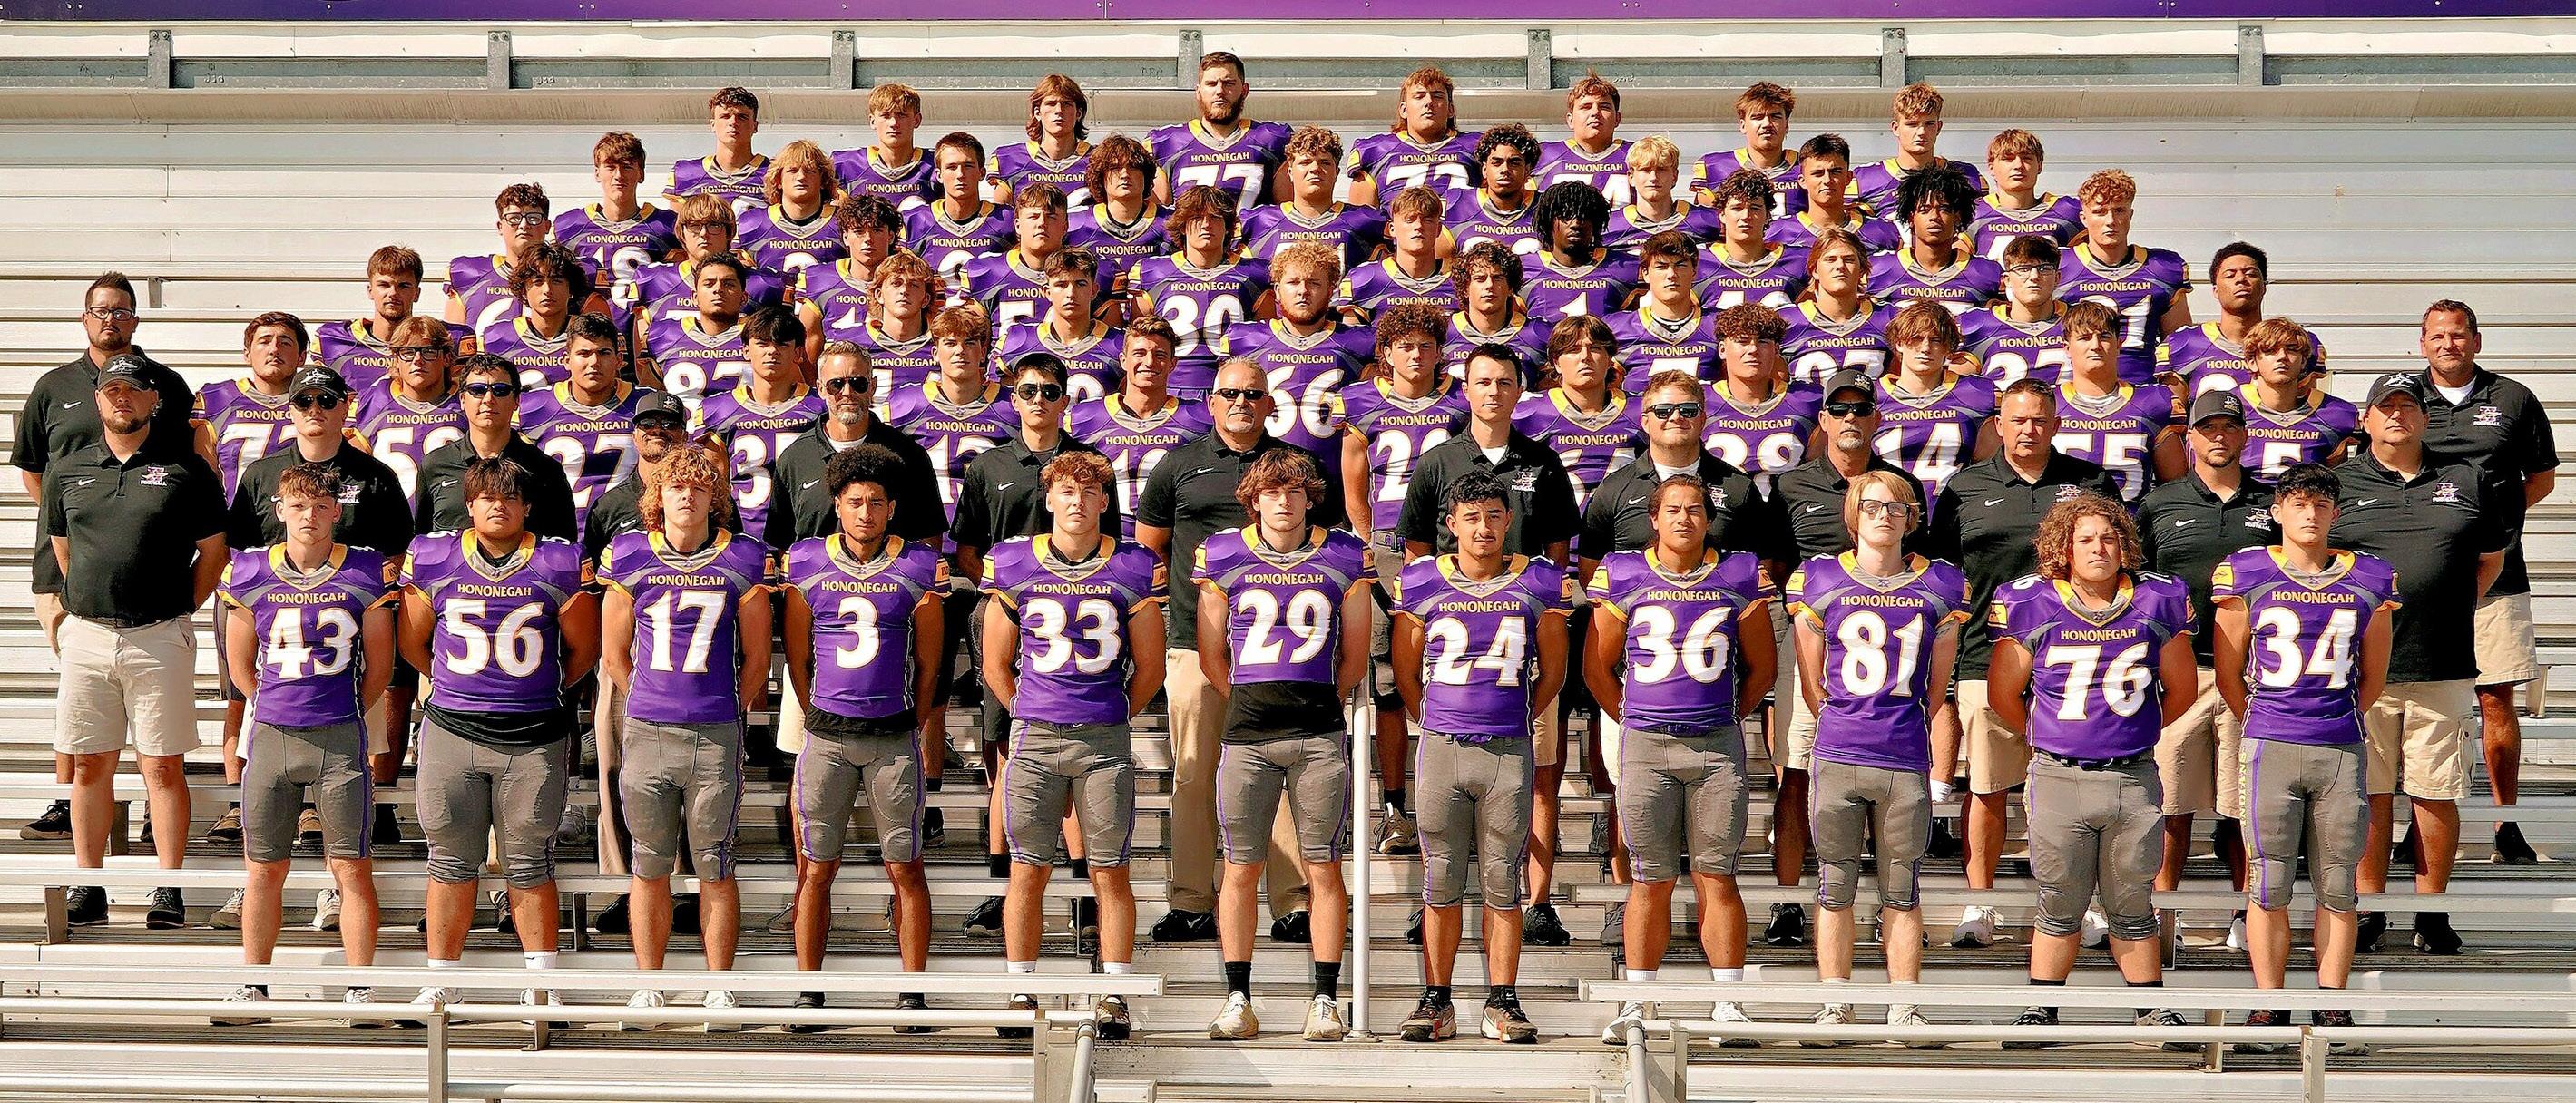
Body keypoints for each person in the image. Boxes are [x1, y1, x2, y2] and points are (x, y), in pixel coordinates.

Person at [1138, 356, 1346, 942]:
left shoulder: (1296, 468)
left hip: (1282, 652)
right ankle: (1191, 899)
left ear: (1269, 404)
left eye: (1253, 394)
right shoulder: (1178, 464)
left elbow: (1325, 543)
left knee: (1280, 771)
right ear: (1211, 402)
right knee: (1193, 774)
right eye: (1230, 393)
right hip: (1193, 641)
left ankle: (1292, 902)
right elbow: (1151, 548)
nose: (1241, 402)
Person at [1987, 493, 2199, 1046]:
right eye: (2085, 539)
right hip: (2059, 773)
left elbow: (2181, 688)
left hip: (2132, 774)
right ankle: (2042, 1008)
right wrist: (2050, 735)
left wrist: (2135, 731)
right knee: (2060, 897)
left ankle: (2150, 1010)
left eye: (2108, 537)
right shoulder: (2032, 602)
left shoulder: (2156, 599)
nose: (2099, 548)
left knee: (2131, 899)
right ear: (2063, 548)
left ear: (2124, 544)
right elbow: (2004, 693)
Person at [397, 457, 598, 1020]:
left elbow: (583, 647)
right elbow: (413, 642)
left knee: (530, 861)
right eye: (487, 496)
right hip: (453, 728)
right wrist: (450, 684)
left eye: (510, 497)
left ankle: (542, 983)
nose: (498, 506)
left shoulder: (558, 561)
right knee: (449, 860)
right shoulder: (434, 556)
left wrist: (541, 691)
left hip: (532, 733)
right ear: (469, 503)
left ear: (527, 507)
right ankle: (442, 980)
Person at [1923, 380, 2118, 948]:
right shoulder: (1965, 488)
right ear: (1999, 426)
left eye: (2038, 419)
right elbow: (1942, 575)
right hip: (1987, 654)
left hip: (2078, 659)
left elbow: (2115, 561)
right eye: (2017, 419)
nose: (2028, 429)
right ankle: (1979, 903)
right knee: (1987, 787)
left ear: (2055, 424)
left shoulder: (2090, 483)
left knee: (2075, 790)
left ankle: (2082, 904)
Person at [2211, 463, 2395, 1053]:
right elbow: (2227, 670)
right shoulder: (2245, 571)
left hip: (2338, 743)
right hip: (2270, 742)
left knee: (2338, 883)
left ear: (2335, 512)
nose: (2309, 514)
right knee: (2267, 881)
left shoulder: (2369, 576)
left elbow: (2373, 675)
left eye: (2319, 504)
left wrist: (2329, 719)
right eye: (2297, 503)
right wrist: (2269, 718)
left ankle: (2331, 1004)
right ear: (2277, 511)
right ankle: (2269, 1003)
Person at [1589, 475, 1777, 1046]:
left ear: (1708, 518)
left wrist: (1726, 716)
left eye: (1695, 509)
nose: (1684, 519)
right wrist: (1634, 719)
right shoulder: (1624, 572)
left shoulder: (1738, 573)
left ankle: (1729, 1002)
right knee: (1650, 877)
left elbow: (1762, 668)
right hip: (1648, 744)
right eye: (1673, 510)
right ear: (1654, 518)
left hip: (1716, 745)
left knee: (1717, 873)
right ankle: (1639, 1001)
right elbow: (1597, 667)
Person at [983, 451, 1164, 1040]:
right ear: (1049, 499)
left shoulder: (1133, 565)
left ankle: (1114, 992)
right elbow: (994, 662)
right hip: (1035, 737)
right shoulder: (1013, 561)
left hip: (1102, 739)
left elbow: (1151, 667)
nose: (1077, 502)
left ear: (1105, 502)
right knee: (1026, 871)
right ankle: (1021, 989)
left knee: (1110, 871)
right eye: (1066, 491)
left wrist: (1111, 714)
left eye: (1089, 493)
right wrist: (1031, 710)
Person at [222, 364, 414, 922]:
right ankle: (255, 880)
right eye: (304, 400)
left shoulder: (374, 475)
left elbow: (397, 553)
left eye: (326, 400)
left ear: (344, 405)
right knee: (265, 783)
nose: (314, 409)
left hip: (348, 651)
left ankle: (336, 887)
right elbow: (241, 551)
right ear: (290, 407)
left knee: (349, 785)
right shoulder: (262, 473)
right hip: (280, 649)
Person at [44, 353, 229, 929]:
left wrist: (178, 607)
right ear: (98, 398)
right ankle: (89, 882)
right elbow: (64, 551)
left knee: (163, 766)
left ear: (154, 399)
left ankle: (169, 887)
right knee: (88, 766)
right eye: (111, 389)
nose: (121, 397)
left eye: (133, 388)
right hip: (89, 634)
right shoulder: (67, 469)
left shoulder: (186, 469)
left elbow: (214, 553)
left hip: (159, 634)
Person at [2330, 372, 2511, 955]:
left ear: (2425, 419)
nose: (2397, 416)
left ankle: (2431, 912)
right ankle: (2370, 908)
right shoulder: (2338, 485)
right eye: (2385, 407)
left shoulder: (2466, 479)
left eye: (2408, 406)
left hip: (2443, 663)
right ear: (2366, 420)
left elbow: (2490, 560)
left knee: (2436, 792)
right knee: (2370, 793)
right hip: (2362, 670)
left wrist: (2448, 604)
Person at [211, 464, 396, 1025]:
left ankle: (360, 987)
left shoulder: (365, 570)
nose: (309, 516)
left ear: (337, 510)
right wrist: (278, 705)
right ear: (280, 510)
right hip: (272, 734)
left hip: (339, 734)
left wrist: (338, 709)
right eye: (298, 505)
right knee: (263, 868)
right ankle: (254, 984)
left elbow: (380, 667)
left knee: (352, 868)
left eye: (320, 506)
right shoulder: (248, 570)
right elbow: (240, 666)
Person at [1392, 472, 1572, 1044]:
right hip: (1443, 746)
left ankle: (1502, 1000)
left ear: (1509, 520)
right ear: (1451, 524)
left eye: (1494, 515)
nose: (1484, 527)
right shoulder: (1422, 580)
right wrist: (1437, 720)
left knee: (1501, 878)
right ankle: (1436, 998)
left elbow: (1553, 670)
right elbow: (1406, 670)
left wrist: (1515, 717)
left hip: (1507, 748)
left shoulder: (1538, 580)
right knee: (1440, 877)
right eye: (1471, 517)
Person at [1197, 450, 1369, 1042]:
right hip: (1247, 735)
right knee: (1240, 868)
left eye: (1294, 490)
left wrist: (1314, 700)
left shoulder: (1343, 554)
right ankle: (1237, 997)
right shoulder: (1223, 553)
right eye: (1272, 491)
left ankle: (1324, 999)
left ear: (1310, 497)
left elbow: (1354, 656)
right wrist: (1253, 699)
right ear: (1253, 499)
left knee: (1323, 867)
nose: (1284, 501)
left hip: (1317, 733)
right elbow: (1211, 655)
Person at [1788, 470, 1965, 1040]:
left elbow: (1936, 690)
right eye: (1872, 506)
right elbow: (1811, 680)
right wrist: (1845, 718)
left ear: (1912, 516)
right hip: (1840, 750)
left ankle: (1903, 1003)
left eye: (1896, 506)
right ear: (1853, 514)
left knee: (1902, 888)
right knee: (1835, 883)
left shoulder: (1940, 582)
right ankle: (1835, 1000)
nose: (1884, 515)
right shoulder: (1818, 578)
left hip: (1903, 753)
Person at [599, 447, 772, 1026]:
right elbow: (614, 654)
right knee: (649, 863)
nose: (687, 497)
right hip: (649, 730)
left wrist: (725, 707)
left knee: (714, 862)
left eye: (699, 488)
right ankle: (650, 982)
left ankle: (718, 984)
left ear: (714, 497)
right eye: (677, 487)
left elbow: (756, 658)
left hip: (714, 730)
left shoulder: (742, 557)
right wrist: (650, 700)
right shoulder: (630, 554)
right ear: (658, 494)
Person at [782, 444, 947, 1024]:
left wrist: (913, 720)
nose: (865, 513)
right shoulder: (807, 561)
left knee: (906, 866)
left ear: (892, 508)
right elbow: (798, 657)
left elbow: (930, 662)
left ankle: (913, 990)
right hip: (827, 737)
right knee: (815, 867)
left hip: (892, 739)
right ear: (837, 505)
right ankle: (809, 989)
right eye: (855, 502)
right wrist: (817, 713)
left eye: (876, 502)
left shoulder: (919, 566)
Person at [951, 354, 1112, 934]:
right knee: (1006, 747)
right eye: (1027, 390)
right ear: (1012, 398)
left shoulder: (1089, 467)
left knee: (1075, 749)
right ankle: (1002, 885)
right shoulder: (988, 465)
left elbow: (1110, 543)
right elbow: (967, 547)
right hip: (1009, 615)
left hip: (1078, 620)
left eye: (1049, 390)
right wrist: (1006, 590)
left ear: (1065, 398)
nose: (1038, 400)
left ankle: (1085, 891)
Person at [2411, 300, 2557, 868]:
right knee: (2420, 703)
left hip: (2498, 577)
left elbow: (2541, 479)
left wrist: (2491, 527)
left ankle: (2505, 822)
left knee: (2495, 699)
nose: (2448, 344)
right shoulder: (2403, 398)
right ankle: (2417, 826)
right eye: (2437, 336)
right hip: (2425, 579)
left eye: (2458, 335)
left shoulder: (2514, 399)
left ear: (2476, 340)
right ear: (2422, 343)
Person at [1769, 373, 1934, 861]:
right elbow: (1778, 566)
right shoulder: (1790, 485)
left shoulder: (1901, 487)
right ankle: (1788, 893)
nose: (1850, 418)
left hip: (1890, 639)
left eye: (1861, 409)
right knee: (1796, 766)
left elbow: (1918, 562)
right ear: (1822, 419)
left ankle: (1888, 884)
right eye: (1839, 410)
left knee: (1887, 772)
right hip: (1814, 633)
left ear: (1877, 418)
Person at [2136, 390, 2274, 939]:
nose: (2219, 436)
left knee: (2244, 804)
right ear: (2188, 436)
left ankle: (2246, 914)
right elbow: (2137, 585)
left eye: (2229, 427)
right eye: (2207, 427)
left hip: (2255, 673)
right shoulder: (2159, 503)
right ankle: (2161, 915)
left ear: (2245, 434)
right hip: (2180, 671)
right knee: (2170, 801)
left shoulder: (2273, 503)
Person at [16, 273, 196, 663]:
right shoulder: (53, 387)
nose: (109, 319)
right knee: (84, 692)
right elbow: (32, 469)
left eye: (120, 312)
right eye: (100, 311)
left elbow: (190, 468)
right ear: (85, 318)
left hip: (152, 582)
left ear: (135, 321)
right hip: (63, 575)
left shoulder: (168, 385)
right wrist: (75, 520)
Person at [196, 312, 311, 854]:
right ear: (247, 352)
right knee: (239, 690)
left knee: (309, 685)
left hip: (309, 563)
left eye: (286, 342)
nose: (274, 349)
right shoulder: (217, 400)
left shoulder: (318, 401)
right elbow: (199, 475)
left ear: (303, 355)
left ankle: (308, 801)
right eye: (264, 341)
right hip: (242, 562)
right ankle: (237, 798)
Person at [1226, 243, 1377, 490]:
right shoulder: (1243, 339)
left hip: (1335, 480)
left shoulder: (1359, 342)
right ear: (1277, 291)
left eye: (1314, 283)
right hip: (1263, 480)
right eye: (1293, 282)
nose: (1303, 291)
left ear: (1331, 291)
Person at [1067, 317, 1210, 542]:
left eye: (1160, 355)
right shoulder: (1084, 418)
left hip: (1171, 542)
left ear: (1173, 363)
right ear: (1123, 360)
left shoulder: (1198, 418)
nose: (1149, 362)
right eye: (1139, 353)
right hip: (1106, 542)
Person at [413, 354, 579, 543]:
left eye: (500, 390)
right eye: (477, 390)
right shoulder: (435, 465)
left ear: (517, 400)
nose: (488, 399)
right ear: (462, 399)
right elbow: (422, 543)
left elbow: (563, 547)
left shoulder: (545, 470)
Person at [1131, 186, 1273, 402]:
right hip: (1170, 388)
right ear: (1182, 225)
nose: (1206, 225)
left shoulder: (1255, 274)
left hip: (1232, 391)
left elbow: (1264, 340)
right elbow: (1138, 340)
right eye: (1197, 217)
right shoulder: (1151, 273)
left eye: (1215, 218)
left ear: (1228, 227)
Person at [694, 305, 823, 542]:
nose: (772, 351)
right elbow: (713, 487)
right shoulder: (717, 411)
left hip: (808, 536)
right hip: (742, 538)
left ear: (798, 353)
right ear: (745, 350)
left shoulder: (820, 408)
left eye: (782, 344)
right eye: (762, 343)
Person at [516, 313, 649, 535]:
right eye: (584, 353)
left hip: (629, 530)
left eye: (604, 353)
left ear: (619, 360)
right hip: (556, 532)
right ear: (566, 360)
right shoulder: (532, 407)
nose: (594, 362)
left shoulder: (645, 404)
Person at [2056, 170, 2191, 385]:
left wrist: (2168, 394)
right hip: (2077, 391)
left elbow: (2180, 346)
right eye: (2100, 212)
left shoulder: (2162, 267)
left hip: (2142, 390)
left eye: (2119, 210)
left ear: (2131, 214)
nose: (2111, 220)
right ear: (2083, 218)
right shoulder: (2060, 266)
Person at [2051, 300, 2185, 504]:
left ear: (2119, 345)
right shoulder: (2049, 402)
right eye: (2085, 338)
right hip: (2063, 521)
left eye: (2104, 336)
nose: (2095, 345)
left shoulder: (2153, 403)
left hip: (2132, 520)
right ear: (2067, 348)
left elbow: (2175, 488)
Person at [2156, 242, 2326, 402]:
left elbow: (2305, 415)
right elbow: (2174, 416)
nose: (2240, 279)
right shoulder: (2185, 344)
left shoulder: (2297, 343)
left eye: (2251, 274)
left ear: (2264, 286)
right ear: (2215, 290)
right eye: (2230, 275)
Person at [1871, 300, 1995, 503]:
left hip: (1956, 512)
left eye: (1936, 340)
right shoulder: (1873, 396)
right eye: (1916, 338)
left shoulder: (1977, 393)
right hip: (1890, 512)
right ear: (1899, 343)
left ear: (1948, 347)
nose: (1926, 348)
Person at [554, 132, 681, 319]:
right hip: (588, 333)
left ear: (641, 173)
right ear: (597, 173)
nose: (619, 175)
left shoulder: (666, 226)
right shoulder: (568, 227)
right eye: (610, 167)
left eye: (627, 166)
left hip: (643, 330)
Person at [1701, 303, 1822, 496]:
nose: (1753, 349)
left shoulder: (1809, 400)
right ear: (1722, 350)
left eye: (1763, 341)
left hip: (1790, 509)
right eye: (1742, 341)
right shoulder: (1700, 400)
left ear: (1776, 350)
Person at [961, 183, 1102, 344]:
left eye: (1051, 216)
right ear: (1017, 225)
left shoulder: (1091, 271)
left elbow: (1104, 340)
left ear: (1065, 226)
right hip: (1006, 359)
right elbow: (969, 343)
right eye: (1033, 216)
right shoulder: (988, 272)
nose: (1042, 223)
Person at [1152, 51, 1291, 212]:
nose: (1220, 91)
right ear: (1198, 92)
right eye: (1211, 84)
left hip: (1249, 230)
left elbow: (1292, 212)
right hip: (1192, 229)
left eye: (1228, 83)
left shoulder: (1273, 139)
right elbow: (1154, 214)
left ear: (1244, 90)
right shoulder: (1166, 142)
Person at [350, 317, 466, 507]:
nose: (418, 360)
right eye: (408, 352)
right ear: (396, 359)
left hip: (451, 518)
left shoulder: (468, 400)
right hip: (390, 519)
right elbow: (351, 468)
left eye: (428, 351)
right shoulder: (372, 400)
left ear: (446, 358)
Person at [630, 194, 788, 328]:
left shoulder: (763, 284)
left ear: (729, 233)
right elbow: (644, 350)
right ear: (681, 233)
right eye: (694, 225)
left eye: (714, 225)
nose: (704, 233)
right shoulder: (654, 281)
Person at [1242, 126, 1387, 269]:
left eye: (1325, 162)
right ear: (1290, 173)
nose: (1315, 168)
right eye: (1305, 162)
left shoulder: (1365, 222)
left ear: (1336, 173)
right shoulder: (1259, 222)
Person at [994, 247, 1123, 405]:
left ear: (1094, 291)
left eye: (1080, 284)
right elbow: (1001, 403)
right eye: (1061, 285)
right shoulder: (1018, 341)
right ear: (1047, 292)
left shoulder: (1120, 344)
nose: (1071, 293)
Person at [2237, 317, 2358, 479]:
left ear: (2303, 362)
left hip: (2309, 495)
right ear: (2252, 361)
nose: (2282, 356)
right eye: (2270, 350)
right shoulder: (2232, 406)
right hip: (2241, 495)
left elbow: (2343, 481)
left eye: (2292, 349)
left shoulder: (2337, 414)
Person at [635, 250, 755, 414]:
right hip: (683, 429)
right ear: (694, 297)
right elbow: (649, 404)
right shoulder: (663, 335)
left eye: (728, 284)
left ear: (744, 297)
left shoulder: (761, 337)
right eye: (709, 283)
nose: (718, 289)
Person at [1870, 167, 2002, 315]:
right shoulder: (1880, 269)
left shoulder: (1986, 273)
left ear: (1957, 217)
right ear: (1911, 218)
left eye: (1944, 209)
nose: (1934, 217)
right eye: (1925, 210)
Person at [1345, 65, 1481, 206]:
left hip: (1458, 221)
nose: (1429, 102)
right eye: (1419, 96)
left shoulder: (1476, 147)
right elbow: (1362, 216)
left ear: (1451, 110)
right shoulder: (1376, 152)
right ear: (1403, 110)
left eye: (1437, 96)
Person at [445, 183, 558, 349]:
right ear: (500, 226)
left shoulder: (567, 276)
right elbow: (451, 348)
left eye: (533, 218)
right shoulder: (470, 275)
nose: (524, 225)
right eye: (514, 218)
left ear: (547, 226)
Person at [1608, 231, 1720, 392]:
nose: (1672, 275)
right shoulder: (1615, 328)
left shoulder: (1719, 324)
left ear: (1694, 272)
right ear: (1645, 274)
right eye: (1661, 266)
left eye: (1680, 265)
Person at [1852, 83, 1987, 215]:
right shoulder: (1863, 179)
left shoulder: (1967, 176)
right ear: (1895, 128)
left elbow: (1980, 225)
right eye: (1912, 124)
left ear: (1939, 127)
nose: (1922, 132)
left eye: (1929, 124)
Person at [476, 243, 598, 390]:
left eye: (557, 280)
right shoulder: (494, 339)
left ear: (571, 288)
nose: (547, 290)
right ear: (523, 290)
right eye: (538, 281)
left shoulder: (594, 336)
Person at [1780, 229, 1891, 387]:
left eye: (1849, 260)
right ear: (1814, 271)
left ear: (1862, 271)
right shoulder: (1786, 321)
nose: (1840, 266)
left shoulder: (1888, 318)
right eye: (1830, 259)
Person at [1957, 235, 2071, 386]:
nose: (2034, 276)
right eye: (2023, 269)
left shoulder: (2079, 320)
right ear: (2007, 280)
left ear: (2057, 278)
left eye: (2044, 269)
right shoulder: (1978, 325)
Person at [903, 132, 1015, 279]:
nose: (960, 174)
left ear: (982, 173)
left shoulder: (1008, 220)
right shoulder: (913, 222)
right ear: (939, 175)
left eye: (968, 166)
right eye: (951, 167)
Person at [1522, 181, 1637, 325]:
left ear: (1595, 223)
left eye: (1584, 216)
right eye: (1566, 215)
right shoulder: (1522, 270)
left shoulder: (1627, 267)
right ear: (1548, 221)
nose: (1576, 224)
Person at [316, 246, 430, 389]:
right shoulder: (332, 339)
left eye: (403, 286)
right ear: (370, 291)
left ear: (417, 293)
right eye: (384, 285)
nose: (393, 293)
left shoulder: (438, 343)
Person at [1767, 134, 1901, 256]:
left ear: (1848, 178)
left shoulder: (1882, 232)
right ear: (1802, 181)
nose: (1827, 180)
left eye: (1835, 172)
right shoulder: (1776, 232)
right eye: (1818, 173)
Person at [1339, 186, 1459, 322]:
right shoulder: (1365, 280)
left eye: (1427, 220)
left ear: (1438, 229)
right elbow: (1353, 335)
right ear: (1392, 229)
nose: (1419, 226)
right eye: (1410, 219)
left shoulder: (1460, 281)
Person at [1694, 170, 1807, 312]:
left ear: (1767, 215)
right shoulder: (1698, 262)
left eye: (1755, 208)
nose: (1746, 216)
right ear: (1721, 214)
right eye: (1737, 208)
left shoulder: (1799, 261)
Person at [1067, 134, 1170, 290]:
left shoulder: (1171, 222)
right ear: (1100, 176)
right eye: (1115, 168)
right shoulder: (1074, 223)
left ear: (1146, 175)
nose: (1125, 174)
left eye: (1133, 167)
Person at [845, 249, 945, 403]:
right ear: (879, 295)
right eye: (896, 283)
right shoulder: (853, 345)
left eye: (914, 285)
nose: (904, 290)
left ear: (926, 299)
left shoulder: (944, 344)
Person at [736, 140, 847, 277]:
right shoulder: (752, 224)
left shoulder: (843, 223)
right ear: (778, 180)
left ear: (823, 180)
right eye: (792, 170)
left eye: (809, 171)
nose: (801, 177)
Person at [1969, 129, 2082, 261]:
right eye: (2008, 159)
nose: (2018, 165)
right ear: (1991, 167)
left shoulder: (2069, 211)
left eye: (2026, 158)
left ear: (2039, 166)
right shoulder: (1972, 212)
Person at [1690, 82, 1800, 220]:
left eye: (1775, 116)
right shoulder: (1715, 168)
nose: (1767, 124)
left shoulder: (1805, 168)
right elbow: (1706, 226)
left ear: (1787, 125)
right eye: (1757, 117)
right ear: (1743, 125)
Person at [1445, 243, 1549, 383]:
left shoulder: (1537, 333)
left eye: (1498, 278)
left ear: (1511, 288)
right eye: (1480, 278)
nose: (1489, 285)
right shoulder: (1443, 333)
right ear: (1465, 288)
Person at [992, 73, 1095, 209]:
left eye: (1066, 104)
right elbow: (1000, 219)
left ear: (1079, 113)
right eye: (1051, 104)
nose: (1058, 110)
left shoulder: (1098, 159)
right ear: (1037, 112)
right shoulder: (1010, 159)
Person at [661, 85, 769, 213]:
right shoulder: (686, 174)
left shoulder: (773, 173)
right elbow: (677, 224)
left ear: (755, 126)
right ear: (713, 124)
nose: (733, 122)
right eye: (725, 116)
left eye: (742, 117)